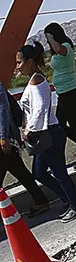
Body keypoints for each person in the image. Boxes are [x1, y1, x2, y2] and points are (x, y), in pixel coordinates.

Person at [15, 43, 76, 222]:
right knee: (39, 172)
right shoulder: (34, 79)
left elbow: (40, 109)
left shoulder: (37, 81)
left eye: (19, 62)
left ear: (30, 62)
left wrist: (29, 129)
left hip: (49, 133)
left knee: (59, 173)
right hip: (44, 133)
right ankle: (66, 199)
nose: (18, 66)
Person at [43, 23, 76, 169]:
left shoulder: (66, 46)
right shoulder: (58, 51)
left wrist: (50, 37)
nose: (48, 41)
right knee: (62, 125)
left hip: (70, 92)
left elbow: (59, 49)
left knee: (71, 124)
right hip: (64, 93)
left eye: (48, 38)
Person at [0, 78, 50, 217]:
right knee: (20, 171)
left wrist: (3, 136)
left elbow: (3, 108)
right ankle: (41, 201)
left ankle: (41, 201)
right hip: (7, 141)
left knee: (19, 170)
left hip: (5, 139)